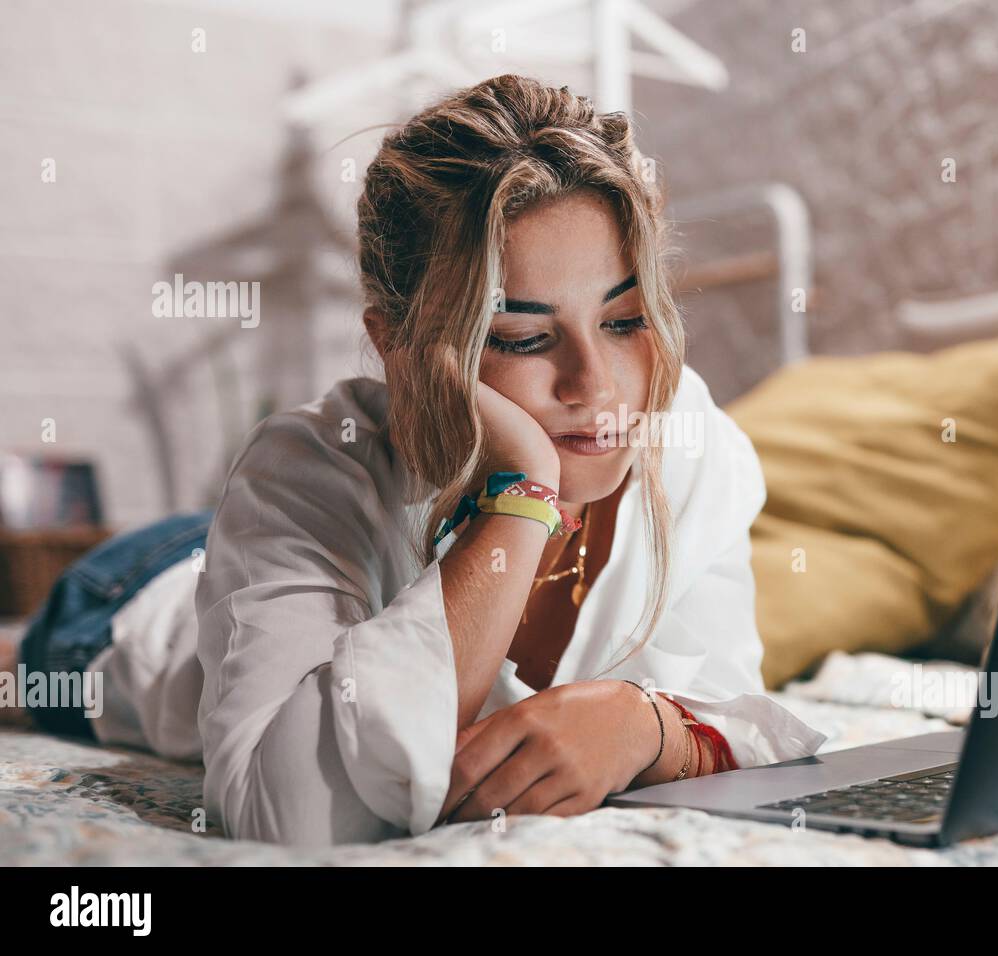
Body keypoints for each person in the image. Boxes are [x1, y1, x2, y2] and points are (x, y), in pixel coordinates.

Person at [2, 74, 826, 846]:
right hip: (134, 600)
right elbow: (283, 815)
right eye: (523, 338)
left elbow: (730, 704)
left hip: (254, 552)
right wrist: (521, 493)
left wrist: (644, 726)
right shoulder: (304, 468)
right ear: (397, 345)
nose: (596, 384)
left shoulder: (691, 440)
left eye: (624, 319)